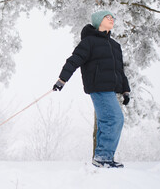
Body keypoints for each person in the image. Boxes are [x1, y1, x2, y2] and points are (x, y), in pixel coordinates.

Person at [53, 10, 130, 168]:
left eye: (112, 17)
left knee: (105, 122)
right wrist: (62, 80)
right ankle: (103, 157)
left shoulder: (115, 45)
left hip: (111, 88)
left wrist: (125, 90)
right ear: (98, 21)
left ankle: (102, 158)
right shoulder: (89, 42)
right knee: (115, 119)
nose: (111, 19)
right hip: (98, 86)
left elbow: (120, 70)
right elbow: (73, 61)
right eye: (107, 17)